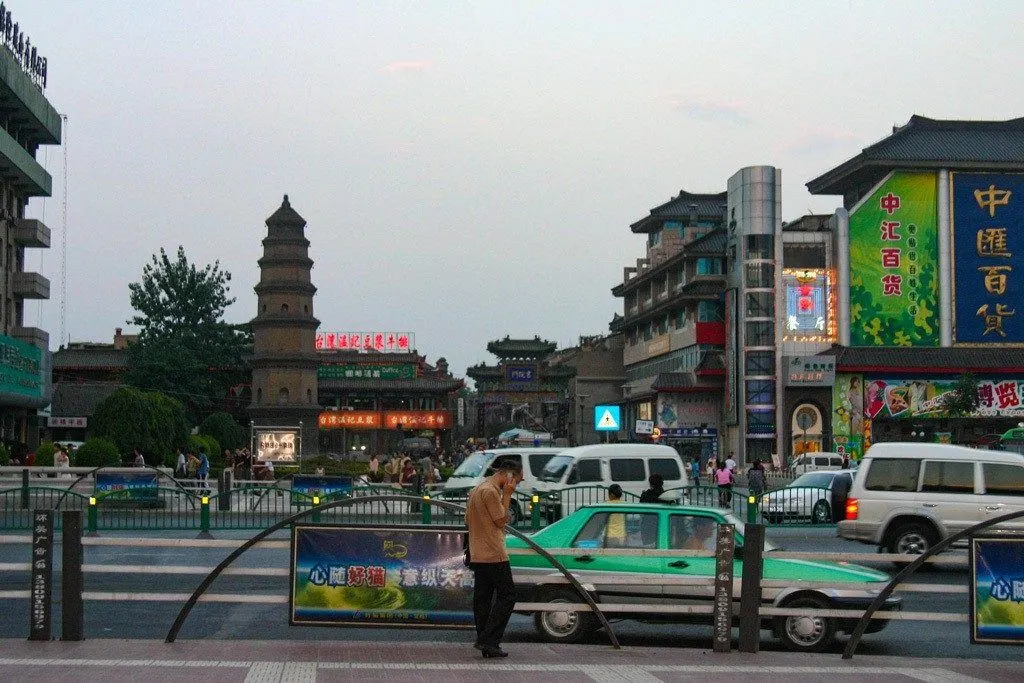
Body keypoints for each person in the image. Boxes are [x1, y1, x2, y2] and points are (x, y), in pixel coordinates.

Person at [465, 457, 522, 658]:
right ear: (509, 475)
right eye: (518, 479)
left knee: (483, 599)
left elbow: (467, 520)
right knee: (508, 595)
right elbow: (501, 521)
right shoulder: (490, 492)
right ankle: (488, 639)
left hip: (478, 552)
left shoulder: (477, 490)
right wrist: (507, 495)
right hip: (494, 553)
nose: (517, 484)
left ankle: (486, 642)